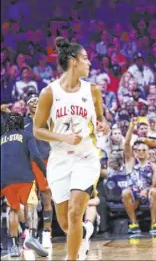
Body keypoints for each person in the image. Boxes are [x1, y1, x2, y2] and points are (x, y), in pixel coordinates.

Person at [33, 37, 110, 260]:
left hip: (86, 157)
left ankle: (72, 258)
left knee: (76, 212)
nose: (89, 63)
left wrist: (103, 125)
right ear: (73, 61)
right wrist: (62, 137)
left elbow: (101, 118)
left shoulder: (93, 90)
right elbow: (38, 129)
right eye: (85, 58)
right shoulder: (49, 92)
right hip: (59, 159)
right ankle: (85, 233)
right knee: (67, 222)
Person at [0, 113, 48, 258]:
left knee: (12, 210)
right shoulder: (27, 135)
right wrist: (45, 172)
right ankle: (32, 235)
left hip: (6, 179)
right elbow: (35, 156)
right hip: (25, 177)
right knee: (31, 205)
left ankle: (13, 246)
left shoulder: (1, 139)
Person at [24, 93, 53, 248]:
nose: (35, 102)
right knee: (31, 201)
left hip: (46, 161)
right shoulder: (23, 122)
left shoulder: (48, 119)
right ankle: (31, 232)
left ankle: (47, 233)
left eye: (37, 100)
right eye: (32, 100)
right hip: (28, 163)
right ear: (27, 105)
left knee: (46, 197)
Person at [123, 119, 156, 236]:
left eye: (144, 150)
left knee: (155, 191)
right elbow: (126, 143)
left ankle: (154, 224)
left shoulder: (153, 165)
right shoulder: (131, 162)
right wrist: (131, 126)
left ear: (148, 152)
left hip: (148, 191)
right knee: (125, 193)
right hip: (134, 191)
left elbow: (155, 183)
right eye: (138, 150)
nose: (141, 152)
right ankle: (134, 224)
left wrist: (147, 190)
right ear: (135, 152)